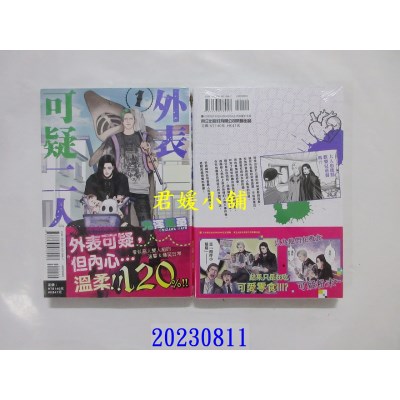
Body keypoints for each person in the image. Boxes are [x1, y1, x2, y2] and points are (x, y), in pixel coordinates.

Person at [90, 108, 158, 227]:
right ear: (122, 121)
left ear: (134, 120)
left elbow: (154, 165)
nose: (128, 121)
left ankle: (149, 240)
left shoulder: (145, 138)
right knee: (121, 226)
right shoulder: (113, 139)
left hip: (141, 189)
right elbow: (106, 163)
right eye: (125, 119)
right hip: (121, 191)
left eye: (130, 118)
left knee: (147, 225)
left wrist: (148, 151)